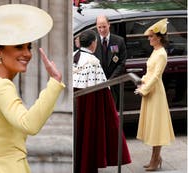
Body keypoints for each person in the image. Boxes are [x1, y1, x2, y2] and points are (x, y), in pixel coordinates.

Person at [0, 4, 65, 173]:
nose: (27, 54)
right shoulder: (2, 86)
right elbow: (29, 124)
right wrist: (54, 83)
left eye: (29, 47)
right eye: (19, 47)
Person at [73, 30, 131, 173]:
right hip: (88, 102)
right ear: (93, 43)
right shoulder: (92, 61)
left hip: (76, 102)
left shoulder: (74, 56)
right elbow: (100, 91)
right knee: (88, 135)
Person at [134, 18, 175, 171]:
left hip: (156, 92)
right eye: (149, 36)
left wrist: (144, 89)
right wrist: (142, 81)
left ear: (159, 37)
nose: (149, 38)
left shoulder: (162, 54)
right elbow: (150, 73)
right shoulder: (155, 51)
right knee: (152, 127)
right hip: (150, 91)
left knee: (156, 127)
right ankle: (155, 158)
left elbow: (157, 75)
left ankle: (155, 159)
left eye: (151, 36)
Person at [94, 15, 127, 107]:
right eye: (99, 27)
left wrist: (110, 81)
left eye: (104, 26)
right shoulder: (93, 41)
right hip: (97, 84)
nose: (102, 30)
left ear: (109, 25)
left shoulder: (119, 41)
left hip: (113, 84)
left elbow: (121, 63)